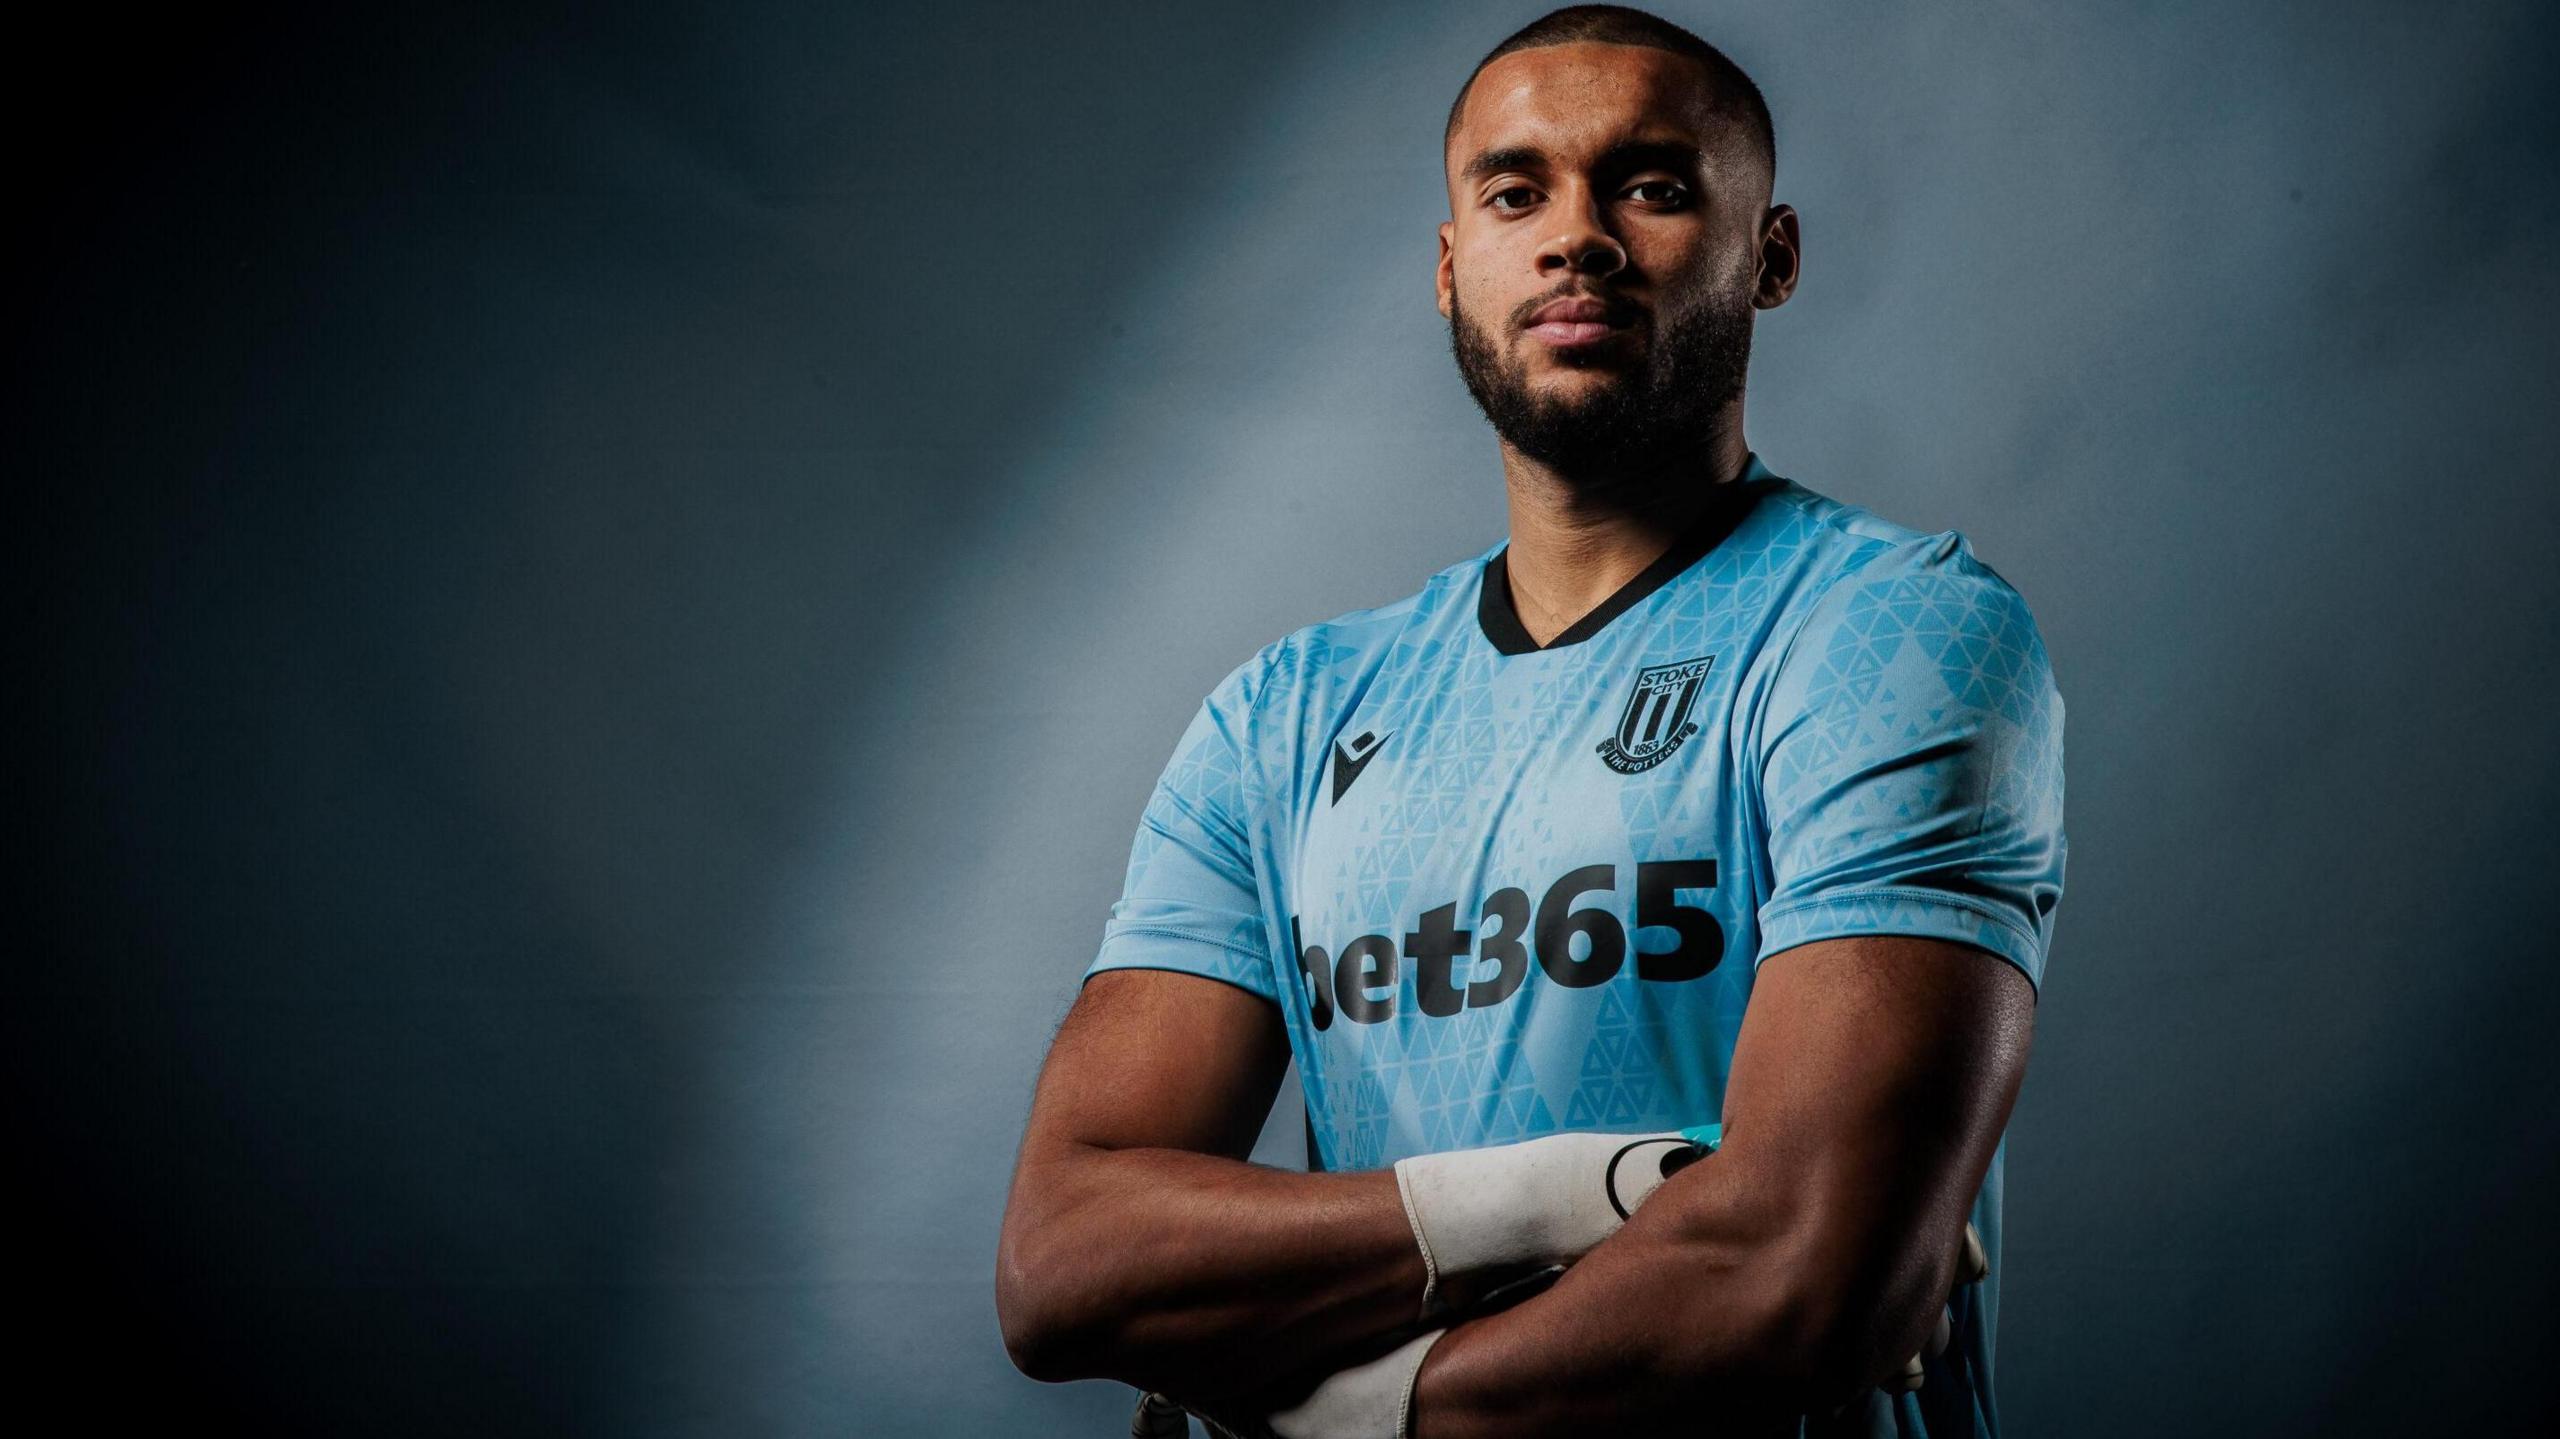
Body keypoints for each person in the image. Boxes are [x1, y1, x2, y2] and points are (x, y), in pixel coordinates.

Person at [996, 7, 2066, 1436]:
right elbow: (1067, 1261)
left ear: (1774, 256)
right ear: (1452, 270)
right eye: (1517, 192)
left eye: (1653, 185)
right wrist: (1577, 1193)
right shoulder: (1288, 716)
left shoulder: (1891, 632)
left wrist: (1359, 1416)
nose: (1578, 238)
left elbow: (1804, 1274)